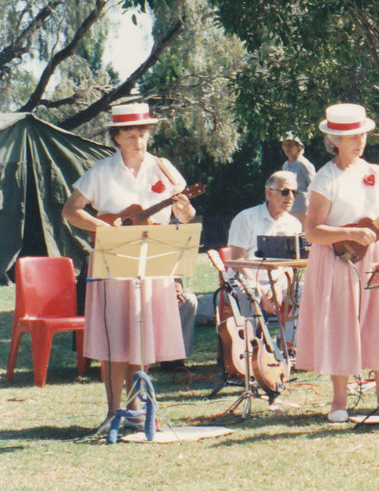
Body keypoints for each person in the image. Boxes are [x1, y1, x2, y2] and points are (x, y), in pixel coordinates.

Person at [61, 102, 195, 425]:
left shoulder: (163, 168)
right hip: (113, 261)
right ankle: (112, 412)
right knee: (114, 338)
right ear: (117, 137)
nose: (139, 141)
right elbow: (70, 210)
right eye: (132, 135)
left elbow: (187, 214)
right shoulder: (102, 171)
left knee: (142, 335)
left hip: (153, 260)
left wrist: (183, 209)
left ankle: (136, 409)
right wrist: (102, 227)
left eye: (143, 134)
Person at [296, 103, 379, 423]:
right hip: (340, 260)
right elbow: (312, 231)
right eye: (351, 136)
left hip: (377, 258)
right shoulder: (325, 178)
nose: (359, 140)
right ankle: (339, 402)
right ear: (335, 139)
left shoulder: (377, 174)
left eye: (362, 134)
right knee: (341, 326)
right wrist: (351, 231)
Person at [225, 170, 303, 317]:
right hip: (245, 280)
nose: (291, 197)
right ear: (269, 193)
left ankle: (288, 339)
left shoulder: (294, 224)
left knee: (309, 292)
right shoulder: (246, 218)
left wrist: (278, 287)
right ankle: (252, 339)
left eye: (295, 192)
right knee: (250, 294)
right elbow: (237, 262)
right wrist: (260, 291)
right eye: (285, 192)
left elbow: (291, 266)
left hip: (280, 282)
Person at [281, 132, 315, 223]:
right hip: (289, 206)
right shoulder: (286, 165)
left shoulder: (304, 164)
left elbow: (314, 187)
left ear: (298, 147)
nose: (287, 148)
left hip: (302, 208)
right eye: (285, 145)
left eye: (290, 145)